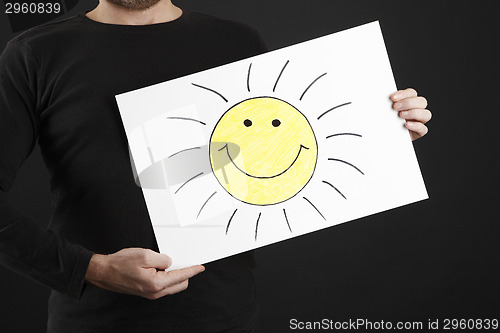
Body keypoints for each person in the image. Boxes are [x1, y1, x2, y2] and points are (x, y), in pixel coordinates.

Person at [0, 0, 432, 332]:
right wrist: (92, 270)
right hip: (93, 325)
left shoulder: (237, 43)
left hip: (225, 319)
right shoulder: (35, 53)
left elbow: (279, 160)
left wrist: (384, 130)